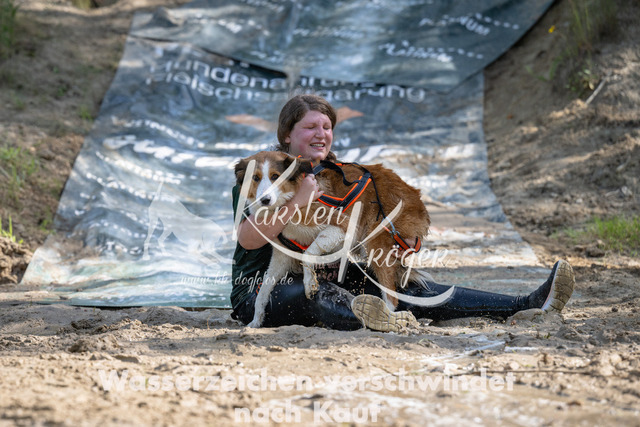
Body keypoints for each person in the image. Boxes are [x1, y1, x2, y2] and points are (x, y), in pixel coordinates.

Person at [230, 94, 575, 332]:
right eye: (310, 127)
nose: (321, 134)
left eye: (327, 127)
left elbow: (365, 231)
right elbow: (248, 239)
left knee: (409, 287)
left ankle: (525, 303)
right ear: (287, 135)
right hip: (262, 288)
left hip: (333, 274)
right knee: (318, 294)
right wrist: (298, 201)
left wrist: (401, 241)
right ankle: (375, 318)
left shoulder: (341, 177)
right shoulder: (259, 175)